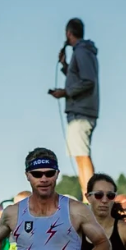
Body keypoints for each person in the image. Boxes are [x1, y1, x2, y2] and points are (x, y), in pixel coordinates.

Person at [48, 18, 99, 199]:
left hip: (81, 112)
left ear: (68, 34)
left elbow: (88, 81)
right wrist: (65, 67)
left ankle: (90, 197)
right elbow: (80, 76)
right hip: (82, 110)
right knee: (79, 155)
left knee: (82, 155)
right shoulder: (83, 53)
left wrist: (65, 92)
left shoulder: (82, 52)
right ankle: (89, 195)